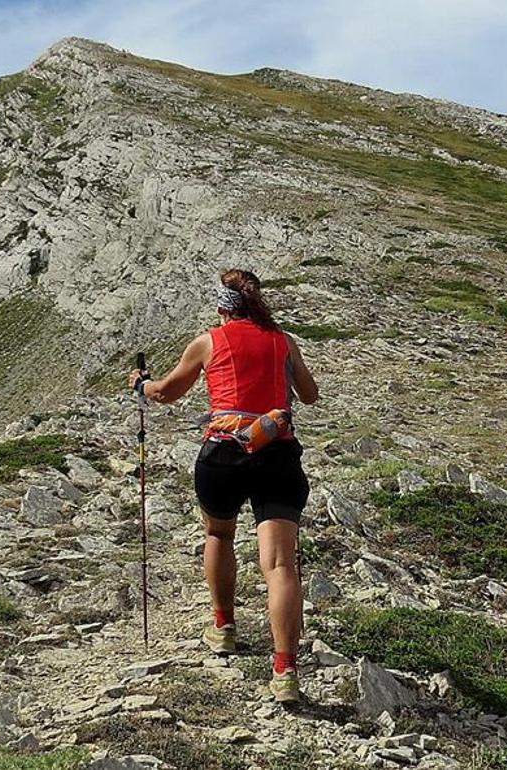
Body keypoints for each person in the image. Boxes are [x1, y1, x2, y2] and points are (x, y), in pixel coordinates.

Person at [128, 268, 319, 703]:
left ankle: (224, 627)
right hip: (277, 452)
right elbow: (309, 395)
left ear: (221, 305)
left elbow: (165, 393)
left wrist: (142, 383)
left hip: (223, 455)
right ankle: (286, 669)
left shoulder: (209, 342)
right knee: (281, 565)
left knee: (218, 533)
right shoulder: (284, 341)